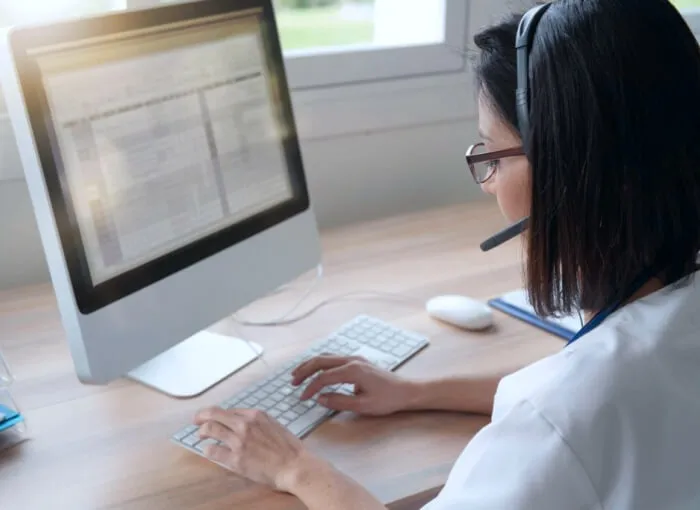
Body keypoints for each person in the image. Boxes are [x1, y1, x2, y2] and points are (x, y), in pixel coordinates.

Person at [192, 0, 700, 508]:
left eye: (491, 154)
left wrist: (294, 467)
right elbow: (590, 392)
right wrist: (415, 392)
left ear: (565, 171)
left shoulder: (559, 419)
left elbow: (566, 410)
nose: (488, 185)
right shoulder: (666, 312)